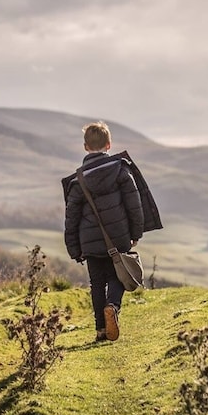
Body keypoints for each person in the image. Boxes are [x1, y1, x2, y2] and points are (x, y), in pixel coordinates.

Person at [62, 122, 145, 342]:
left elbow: (71, 218)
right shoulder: (120, 170)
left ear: (85, 147)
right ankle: (113, 306)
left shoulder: (78, 181)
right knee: (118, 275)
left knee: (97, 283)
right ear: (109, 144)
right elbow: (134, 204)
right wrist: (136, 232)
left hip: (89, 242)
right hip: (118, 235)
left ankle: (100, 329)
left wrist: (74, 249)